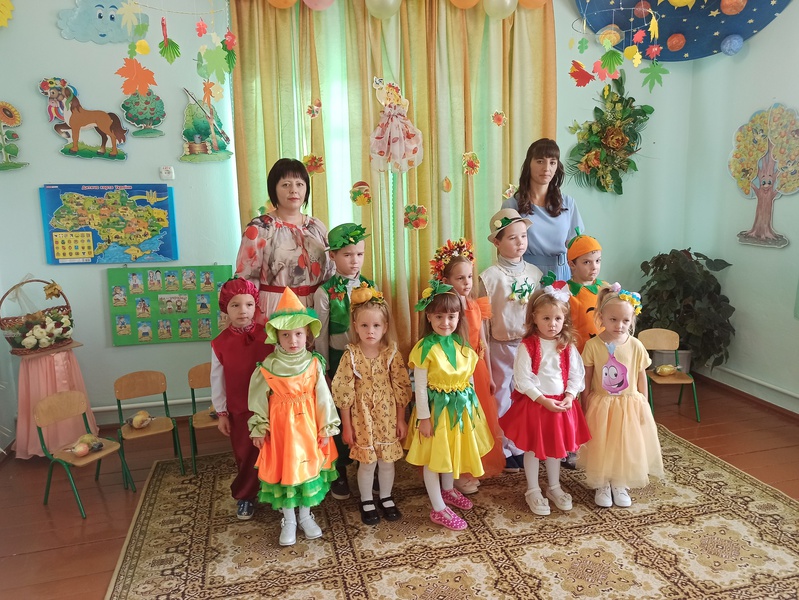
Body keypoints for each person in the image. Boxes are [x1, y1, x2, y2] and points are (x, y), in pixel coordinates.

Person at [248, 287, 340, 546]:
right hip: (281, 432)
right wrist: (259, 427)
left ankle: (306, 515)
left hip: (308, 429)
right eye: (286, 335)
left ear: (307, 334)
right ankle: (288, 519)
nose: (293, 340)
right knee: (286, 470)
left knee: (307, 468)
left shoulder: (314, 363)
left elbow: (323, 398)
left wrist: (326, 428)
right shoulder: (268, 366)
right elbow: (258, 400)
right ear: (276, 336)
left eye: (298, 334)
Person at [405, 281, 494, 531]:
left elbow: (469, 381)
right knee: (433, 458)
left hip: (460, 412)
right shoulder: (425, 348)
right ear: (429, 317)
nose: (446, 322)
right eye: (439, 317)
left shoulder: (461, 346)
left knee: (449, 453)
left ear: (458, 317)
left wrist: (473, 412)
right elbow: (420, 387)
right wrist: (424, 418)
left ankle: (447, 490)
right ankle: (438, 507)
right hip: (435, 414)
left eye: (451, 317)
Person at [499, 282, 591, 516]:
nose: (552, 324)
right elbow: (522, 379)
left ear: (564, 319)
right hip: (537, 406)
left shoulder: (567, 345)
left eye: (558, 318)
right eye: (546, 318)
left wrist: (570, 395)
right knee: (533, 449)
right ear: (534, 318)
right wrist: (542, 400)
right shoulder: (528, 345)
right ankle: (532, 489)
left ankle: (554, 486)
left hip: (560, 406)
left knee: (555, 449)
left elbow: (576, 374)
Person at [578, 283, 664, 508]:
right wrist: (585, 403)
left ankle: (620, 482)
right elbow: (587, 379)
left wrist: (644, 404)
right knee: (602, 444)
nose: (619, 325)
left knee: (625, 444)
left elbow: (641, 376)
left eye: (626, 321)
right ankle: (603, 482)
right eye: (613, 319)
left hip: (629, 404)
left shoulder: (636, 345)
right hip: (602, 405)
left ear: (632, 320)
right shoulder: (593, 345)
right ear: (601, 318)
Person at [331, 283, 411, 525]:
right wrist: (347, 426)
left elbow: (401, 388)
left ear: (385, 327)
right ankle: (366, 500)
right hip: (361, 418)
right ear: (355, 326)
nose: (370, 331)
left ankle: (386, 497)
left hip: (387, 418)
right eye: (364, 325)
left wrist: (401, 419)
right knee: (367, 463)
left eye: (376, 325)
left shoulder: (391, 354)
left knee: (387, 462)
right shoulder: (351, 356)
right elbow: (343, 392)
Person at [432, 238, 505, 492]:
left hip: (478, 370)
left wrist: (490, 374)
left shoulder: (475, 305)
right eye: (460, 278)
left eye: (469, 277)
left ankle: (473, 466)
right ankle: (457, 472)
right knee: (459, 423)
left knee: (477, 422)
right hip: (458, 374)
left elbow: (483, 341)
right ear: (447, 281)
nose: (466, 283)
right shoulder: (449, 311)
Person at [479, 208, 543, 473]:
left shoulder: (535, 273)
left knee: (526, 393)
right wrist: (483, 347)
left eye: (523, 236)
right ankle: (505, 447)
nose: (520, 243)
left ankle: (522, 444)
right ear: (497, 242)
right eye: (512, 238)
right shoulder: (489, 277)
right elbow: (483, 319)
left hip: (527, 344)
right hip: (500, 345)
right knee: (503, 395)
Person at [313, 223, 373, 500]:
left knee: (365, 413)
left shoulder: (370, 286)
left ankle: (366, 464)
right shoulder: (325, 292)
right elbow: (321, 334)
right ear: (333, 256)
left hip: (366, 362)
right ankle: (339, 469)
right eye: (347, 255)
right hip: (338, 362)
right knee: (339, 414)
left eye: (359, 254)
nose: (354, 261)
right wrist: (325, 369)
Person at [235, 158, 334, 324]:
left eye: (299, 184)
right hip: (275, 309)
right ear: (273, 189)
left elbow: (331, 271)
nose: (293, 190)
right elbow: (246, 279)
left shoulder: (317, 226)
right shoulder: (259, 228)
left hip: (315, 309)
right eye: (286, 184)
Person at [210, 278, 272, 520]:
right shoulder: (220, 343)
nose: (243, 311)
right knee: (245, 453)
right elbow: (217, 380)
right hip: (239, 409)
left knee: (272, 450)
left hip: (270, 406)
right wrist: (222, 413)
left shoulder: (269, 335)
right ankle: (246, 495)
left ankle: (274, 492)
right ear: (225, 308)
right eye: (235, 305)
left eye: (248, 304)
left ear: (256, 305)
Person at [502, 138, 584, 281]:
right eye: (540, 161)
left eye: (552, 162)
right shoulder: (512, 206)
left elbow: (577, 247)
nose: (546, 168)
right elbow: (504, 250)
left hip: (562, 276)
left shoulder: (568, 204)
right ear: (529, 164)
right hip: (525, 275)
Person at [565, 230, 606, 354]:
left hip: (602, 352)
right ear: (572, 264)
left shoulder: (606, 288)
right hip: (576, 353)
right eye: (587, 262)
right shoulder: (564, 292)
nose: (594, 267)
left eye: (598, 261)